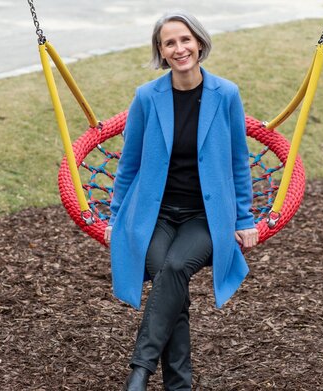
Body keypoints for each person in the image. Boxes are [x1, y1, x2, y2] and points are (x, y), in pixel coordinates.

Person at [104, 10, 258, 391]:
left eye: (185, 39)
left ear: (200, 42)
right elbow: (130, 163)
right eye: (169, 42)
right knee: (168, 280)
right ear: (161, 50)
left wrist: (244, 218)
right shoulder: (147, 97)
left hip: (204, 217)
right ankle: (178, 386)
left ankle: (140, 371)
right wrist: (116, 216)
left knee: (172, 269)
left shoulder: (226, 94)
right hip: (154, 214)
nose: (179, 48)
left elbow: (239, 161)